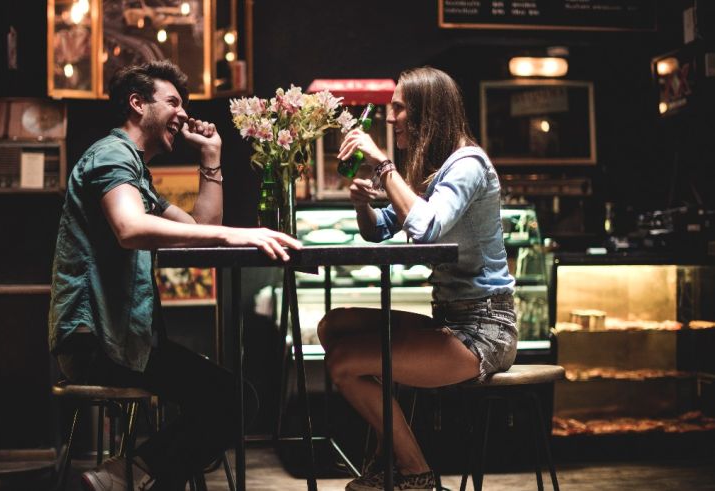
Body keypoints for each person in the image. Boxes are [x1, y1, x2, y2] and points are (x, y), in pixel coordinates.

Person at [48, 61, 301, 491]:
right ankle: (125, 475)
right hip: (95, 342)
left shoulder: (135, 173)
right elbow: (130, 229)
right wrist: (238, 234)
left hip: (122, 341)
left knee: (229, 399)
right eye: (173, 102)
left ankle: (128, 474)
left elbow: (199, 235)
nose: (182, 113)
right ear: (137, 103)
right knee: (233, 399)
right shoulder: (111, 156)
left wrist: (211, 158)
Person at [318, 66, 517, 491]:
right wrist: (362, 205)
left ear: (426, 112)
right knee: (334, 325)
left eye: (398, 109)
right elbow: (380, 229)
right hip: (451, 321)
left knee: (342, 363)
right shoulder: (437, 167)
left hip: (483, 330)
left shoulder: (467, 164)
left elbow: (425, 229)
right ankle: (388, 459)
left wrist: (383, 164)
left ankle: (415, 472)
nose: (390, 119)